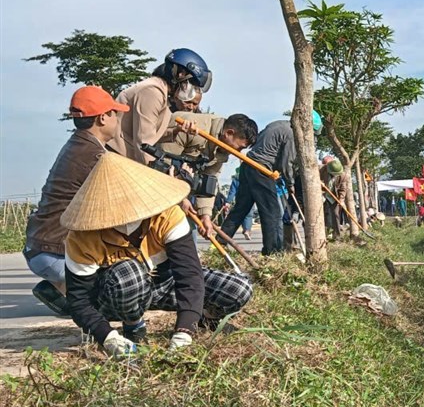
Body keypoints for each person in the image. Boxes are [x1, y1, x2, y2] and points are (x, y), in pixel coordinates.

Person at [61, 152, 253, 353]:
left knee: (239, 289)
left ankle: (202, 318)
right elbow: (79, 300)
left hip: (164, 284)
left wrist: (185, 329)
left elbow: (189, 274)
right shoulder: (82, 238)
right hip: (115, 295)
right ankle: (133, 324)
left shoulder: (167, 217)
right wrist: (106, 335)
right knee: (129, 273)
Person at [23, 86, 135, 316]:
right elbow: (124, 203)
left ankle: (61, 288)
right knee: (124, 287)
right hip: (56, 252)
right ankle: (73, 292)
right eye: (115, 113)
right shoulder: (95, 157)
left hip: (41, 247)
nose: (118, 119)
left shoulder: (78, 145)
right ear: (103, 118)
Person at [221, 113, 321, 255]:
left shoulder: (278, 124)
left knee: (240, 209)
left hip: (247, 167)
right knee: (272, 213)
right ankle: (273, 252)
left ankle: (220, 241)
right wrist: (290, 183)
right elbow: (287, 163)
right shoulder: (293, 134)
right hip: (261, 170)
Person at [157, 112, 258, 238]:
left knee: (189, 231)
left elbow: (209, 180)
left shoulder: (223, 150)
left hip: (182, 187)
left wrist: (205, 215)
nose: (237, 152)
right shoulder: (191, 127)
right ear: (229, 133)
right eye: (239, 147)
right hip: (154, 183)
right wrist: (181, 199)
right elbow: (162, 165)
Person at [117, 48, 212, 155]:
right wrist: (156, 170)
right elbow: (144, 144)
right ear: (180, 74)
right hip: (114, 155)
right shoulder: (152, 92)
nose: (191, 91)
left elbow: (150, 135)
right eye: (191, 84)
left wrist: (176, 130)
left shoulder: (164, 96)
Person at [223, 169, 253, 240]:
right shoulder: (250, 177)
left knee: (239, 214)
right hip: (250, 197)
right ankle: (247, 230)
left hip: (239, 198)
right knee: (248, 215)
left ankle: (225, 237)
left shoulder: (235, 180)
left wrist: (228, 201)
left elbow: (232, 192)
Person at [319, 157, 344, 240]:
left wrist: (341, 199)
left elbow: (343, 189)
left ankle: (337, 236)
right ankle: (322, 235)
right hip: (322, 194)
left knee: (336, 215)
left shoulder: (342, 175)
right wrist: (319, 182)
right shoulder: (321, 169)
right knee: (321, 214)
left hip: (333, 196)